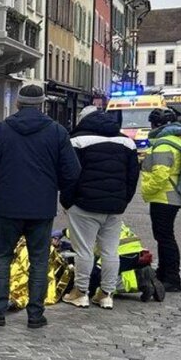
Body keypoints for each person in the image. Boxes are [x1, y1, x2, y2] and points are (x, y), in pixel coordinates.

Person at [0, 84, 81, 329]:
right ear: (42, 104)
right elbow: (73, 171)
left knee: (1, 256)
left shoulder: (2, 130)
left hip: (7, 206)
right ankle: (35, 315)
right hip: (41, 208)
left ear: (18, 104)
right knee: (39, 260)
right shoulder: (56, 132)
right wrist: (52, 187)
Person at [59, 106, 139, 310]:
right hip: (114, 206)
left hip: (84, 205)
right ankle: (106, 294)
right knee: (110, 251)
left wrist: (68, 201)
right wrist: (123, 201)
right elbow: (132, 177)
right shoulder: (126, 142)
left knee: (83, 250)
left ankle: (81, 292)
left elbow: (68, 175)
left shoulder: (76, 141)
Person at [141, 107, 181, 292]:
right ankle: (164, 271)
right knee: (164, 236)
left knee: (165, 237)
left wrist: (147, 189)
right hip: (170, 196)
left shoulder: (163, 145)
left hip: (164, 197)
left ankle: (172, 278)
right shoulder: (174, 140)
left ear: (156, 125)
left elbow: (160, 174)